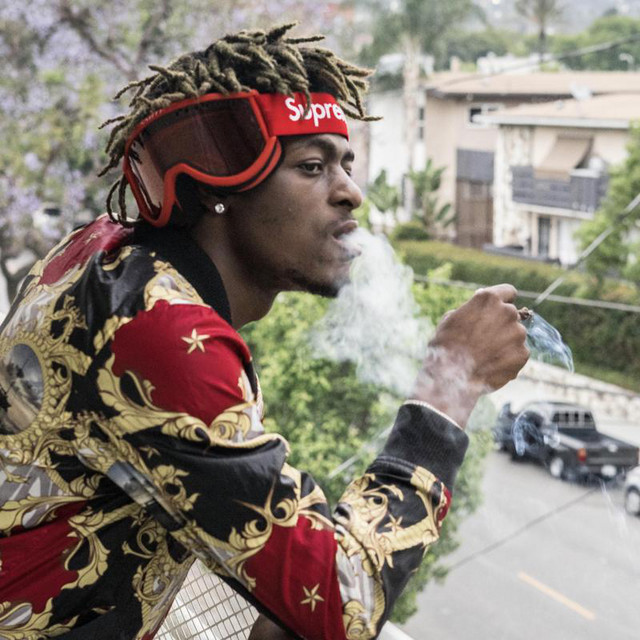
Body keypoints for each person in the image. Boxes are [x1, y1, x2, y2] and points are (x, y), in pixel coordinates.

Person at [0, 23, 529, 640]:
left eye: (346, 164)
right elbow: (345, 601)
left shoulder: (104, 255)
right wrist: (449, 385)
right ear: (218, 186)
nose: (351, 193)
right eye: (312, 167)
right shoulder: (160, 332)